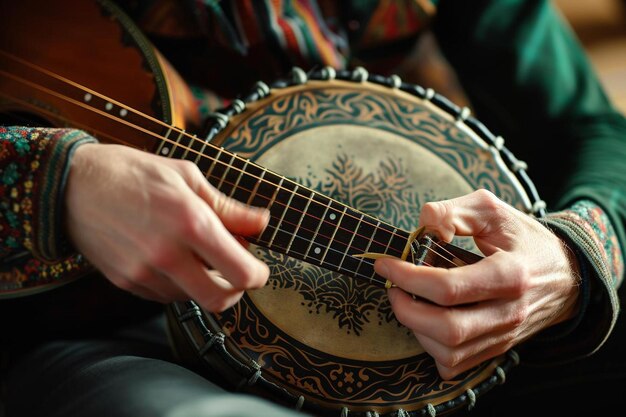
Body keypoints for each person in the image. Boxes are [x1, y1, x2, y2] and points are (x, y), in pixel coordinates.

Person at [1, 0, 625, 416]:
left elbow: (594, 130)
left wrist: (570, 256)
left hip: (449, 346)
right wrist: (60, 181)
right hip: (98, 337)